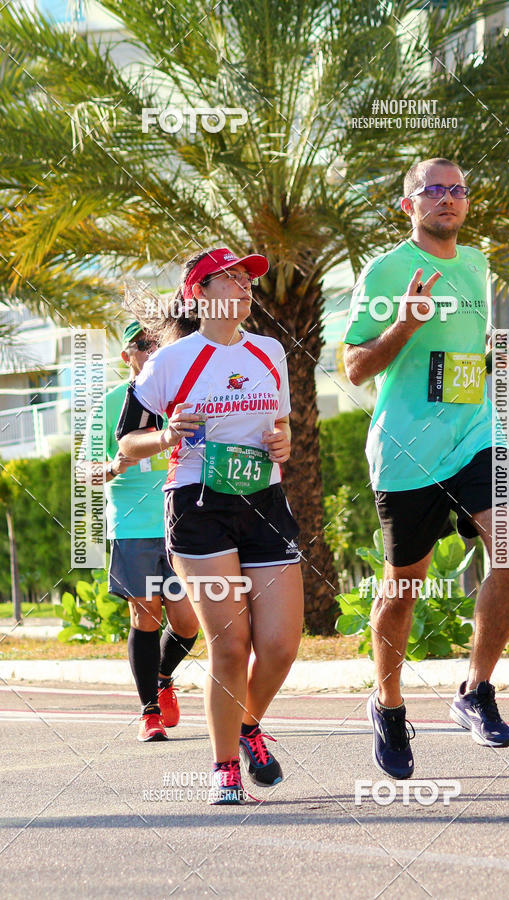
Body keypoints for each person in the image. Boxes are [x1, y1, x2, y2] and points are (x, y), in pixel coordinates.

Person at [343, 158, 509, 779]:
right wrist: (404, 324)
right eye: (433, 190)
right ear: (409, 205)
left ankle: (475, 689)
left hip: (478, 435)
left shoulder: (477, 264)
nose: (447, 199)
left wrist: (491, 377)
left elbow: (464, 351)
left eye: (457, 190)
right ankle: (390, 704)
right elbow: (354, 367)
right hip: (407, 449)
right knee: (404, 586)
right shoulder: (386, 269)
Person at [116, 248, 304, 804]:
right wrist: (168, 436)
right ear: (198, 293)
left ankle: (248, 725)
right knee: (231, 642)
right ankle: (225, 766)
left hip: (265, 500)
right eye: (230, 278)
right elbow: (127, 443)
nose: (245, 287)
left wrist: (284, 443)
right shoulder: (171, 362)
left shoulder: (270, 352)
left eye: (248, 279)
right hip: (199, 505)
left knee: (279, 647)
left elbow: (282, 425)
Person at [99, 322, 199, 742]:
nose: (151, 350)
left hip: (183, 520)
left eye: (158, 342)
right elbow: (83, 472)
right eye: (142, 345)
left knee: (189, 623)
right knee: (145, 614)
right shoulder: (108, 405)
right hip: (134, 524)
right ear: (128, 357)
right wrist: (109, 467)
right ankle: (149, 711)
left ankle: (162, 676)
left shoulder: (185, 396)